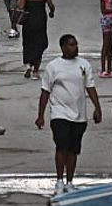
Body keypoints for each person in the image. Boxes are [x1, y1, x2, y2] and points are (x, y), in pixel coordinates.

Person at [36, 34, 102, 195]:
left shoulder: (84, 65)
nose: (75, 47)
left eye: (76, 44)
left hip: (79, 115)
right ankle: (59, 181)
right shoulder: (54, 67)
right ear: (63, 47)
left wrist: (97, 107)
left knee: (73, 150)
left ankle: (70, 181)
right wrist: (41, 115)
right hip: (59, 114)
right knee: (61, 146)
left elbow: (90, 87)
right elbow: (45, 92)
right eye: (72, 45)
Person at [18, 0, 55, 79]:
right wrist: (51, 12)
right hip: (40, 21)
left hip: (28, 21)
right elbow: (51, 6)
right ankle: (36, 71)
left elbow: (21, 7)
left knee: (28, 43)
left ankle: (28, 64)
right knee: (40, 43)